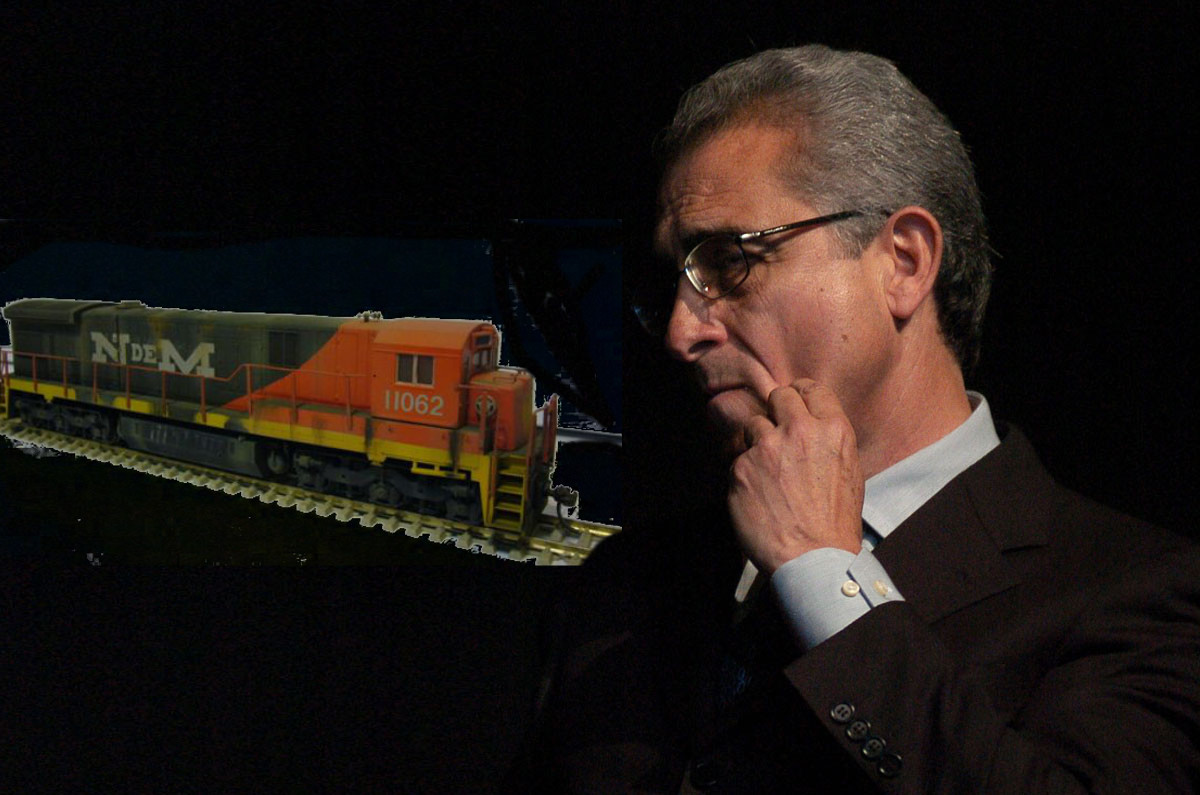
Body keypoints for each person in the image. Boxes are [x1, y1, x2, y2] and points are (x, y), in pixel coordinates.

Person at [506, 45, 1200, 793]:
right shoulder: (620, 589)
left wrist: (821, 569)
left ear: (903, 262)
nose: (681, 332)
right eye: (674, 282)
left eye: (729, 261)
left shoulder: (1137, 589)